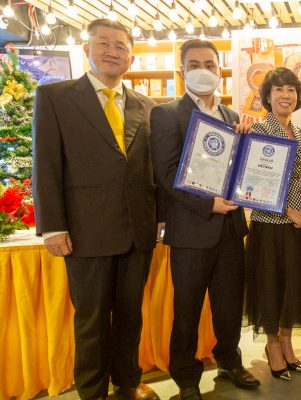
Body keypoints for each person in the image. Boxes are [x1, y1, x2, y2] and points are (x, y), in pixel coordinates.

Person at [32, 19, 160, 400]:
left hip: (137, 232)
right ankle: (93, 393)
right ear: (88, 49)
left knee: (130, 316)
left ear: (131, 58)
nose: (112, 52)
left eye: (121, 47)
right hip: (85, 232)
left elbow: (152, 169)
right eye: (104, 43)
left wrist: (160, 218)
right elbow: (46, 165)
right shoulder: (55, 97)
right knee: (91, 321)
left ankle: (128, 384)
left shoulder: (147, 106)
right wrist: (52, 226)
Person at [150, 40, 259, 400]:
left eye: (210, 64)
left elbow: (239, 168)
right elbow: (166, 173)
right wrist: (207, 204)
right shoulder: (166, 114)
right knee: (187, 311)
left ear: (219, 71)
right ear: (181, 71)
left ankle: (229, 360)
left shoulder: (232, 116)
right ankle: (186, 378)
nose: (203, 70)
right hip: (191, 231)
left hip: (230, 230)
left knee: (229, 307)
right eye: (194, 64)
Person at [243, 67, 301, 381]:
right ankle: (273, 346)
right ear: (268, 96)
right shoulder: (259, 131)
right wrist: (289, 211)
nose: (286, 95)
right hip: (271, 225)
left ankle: (287, 343)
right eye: (279, 89)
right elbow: (252, 184)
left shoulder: (300, 133)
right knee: (271, 288)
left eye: (291, 89)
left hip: (300, 226)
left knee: (293, 287)